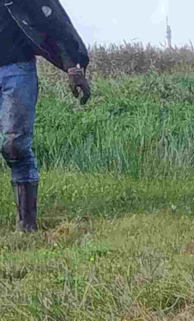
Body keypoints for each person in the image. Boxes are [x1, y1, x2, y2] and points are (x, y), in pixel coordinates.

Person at [1, 0, 91, 233]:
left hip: (16, 69)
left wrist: (73, 68)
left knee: (15, 146)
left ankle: (26, 226)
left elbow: (54, 23)